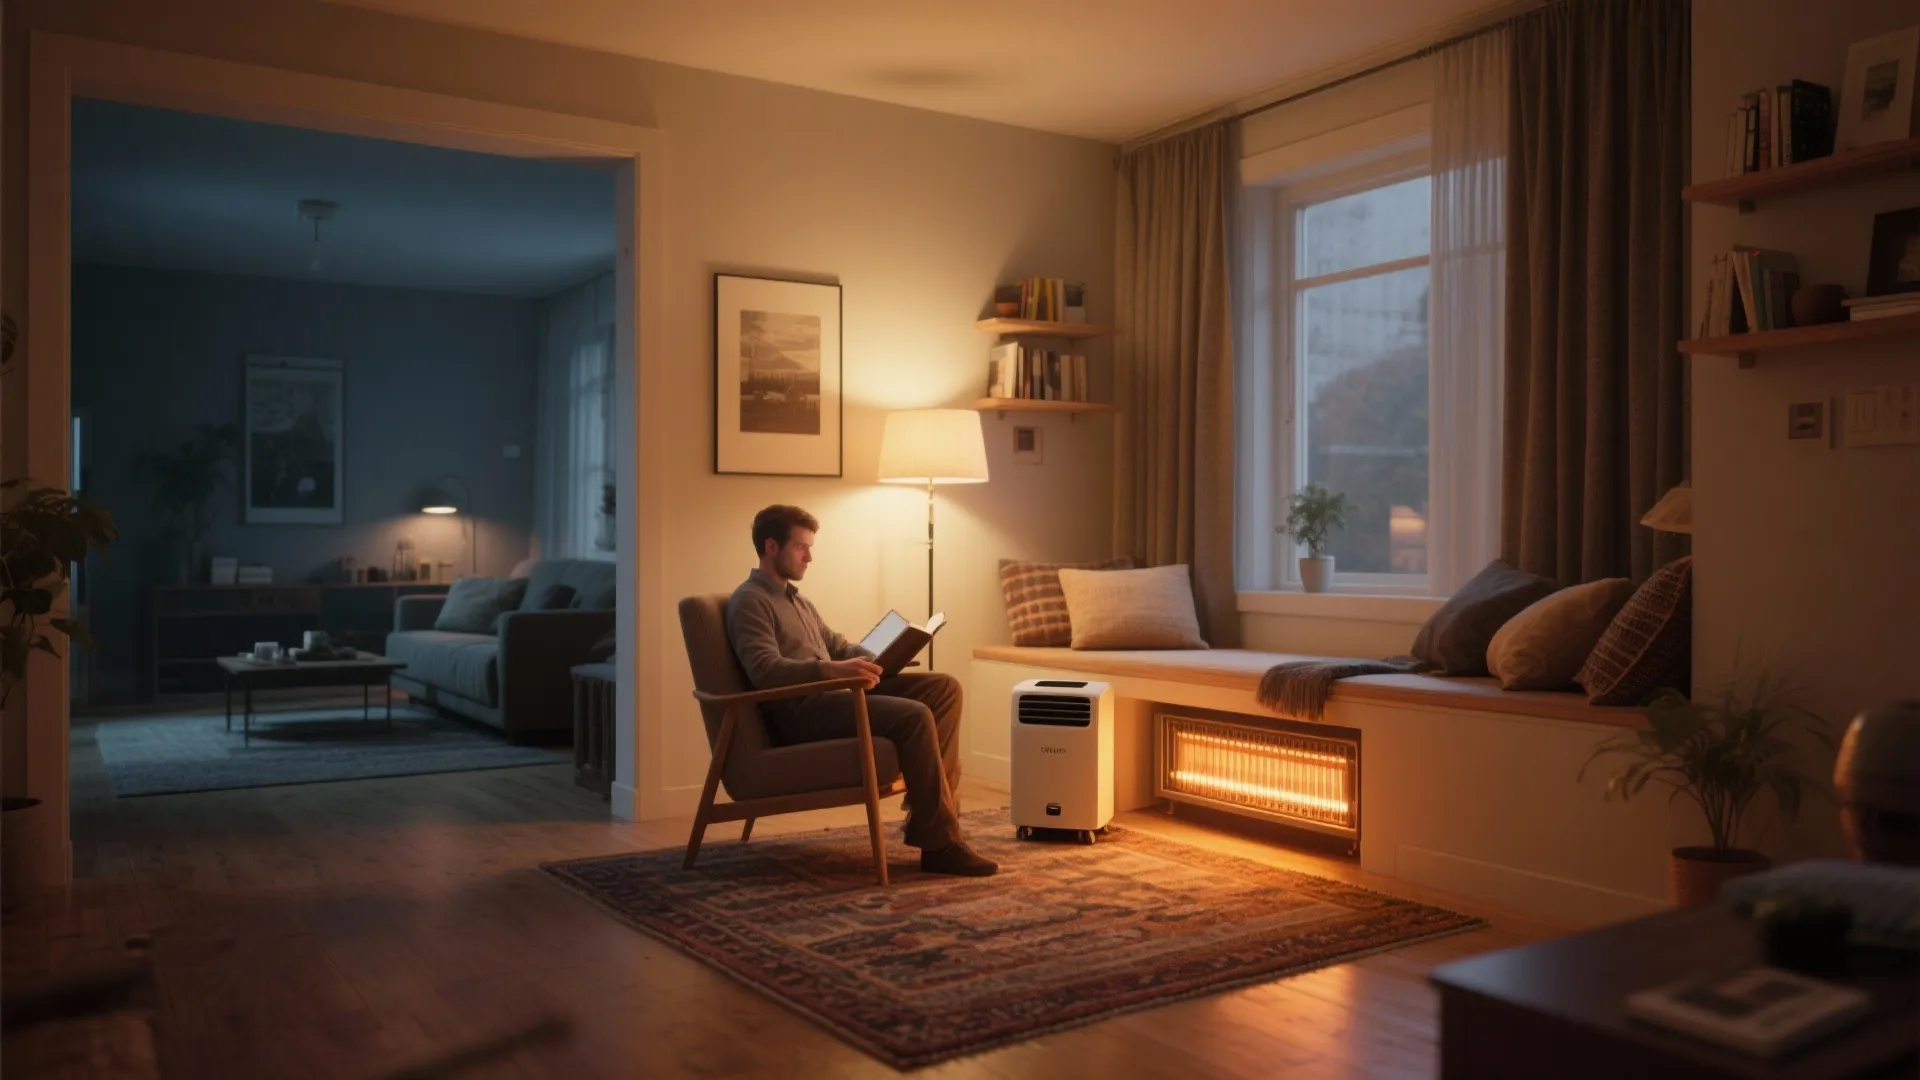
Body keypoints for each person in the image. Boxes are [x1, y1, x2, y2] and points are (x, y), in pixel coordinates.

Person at [726, 504, 998, 877]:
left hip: (837, 695)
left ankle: (931, 823)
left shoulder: (798, 601)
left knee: (944, 689)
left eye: (810, 547)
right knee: (915, 716)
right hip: (804, 711)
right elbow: (764, 670)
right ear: (771, 547)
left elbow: (838, 646)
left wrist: (884, 653)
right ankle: (940, 845)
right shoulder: (750, 602)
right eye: (801, 547)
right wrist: (833, 669)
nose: (810, 557)